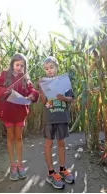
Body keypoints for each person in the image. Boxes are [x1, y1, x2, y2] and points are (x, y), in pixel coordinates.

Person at [0, 53, 39, 181]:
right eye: (17, 65)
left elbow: (32, 90)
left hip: (20, 113)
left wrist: (32, 96)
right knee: (10, 137)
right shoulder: (4, 75)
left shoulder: (25, 78)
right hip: (7, 112)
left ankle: (20, 164)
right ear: (12, 64)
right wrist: (5, 91)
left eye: (22, 66)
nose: (19, 68)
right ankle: (12, 165)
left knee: (19, 137)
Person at [38, 56, 75, 189]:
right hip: (49, 118)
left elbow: (71, 98)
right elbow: (43, 101)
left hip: (62, 117)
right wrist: (41, 89)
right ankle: (51, 173)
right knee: (48, 144)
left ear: (57, 67)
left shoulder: (64, 81)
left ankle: (62, 169)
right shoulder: (44, 82)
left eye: (51, 67)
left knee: (61, 143)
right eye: (46, 68)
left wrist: (63, 98)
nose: (49, 70)